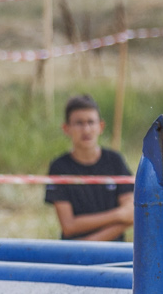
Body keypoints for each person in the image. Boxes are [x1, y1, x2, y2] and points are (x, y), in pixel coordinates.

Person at [45, 95, 133, 242]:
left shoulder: (115, 161)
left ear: (101, 126)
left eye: (91, 122)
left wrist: (88, 244)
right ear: (66, 128)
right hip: (74, 253)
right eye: (79, 123)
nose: (86, 129)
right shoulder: (59, 167)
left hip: (112, 251)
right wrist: (118, 215)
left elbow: (130, 214)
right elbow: (69, 226)